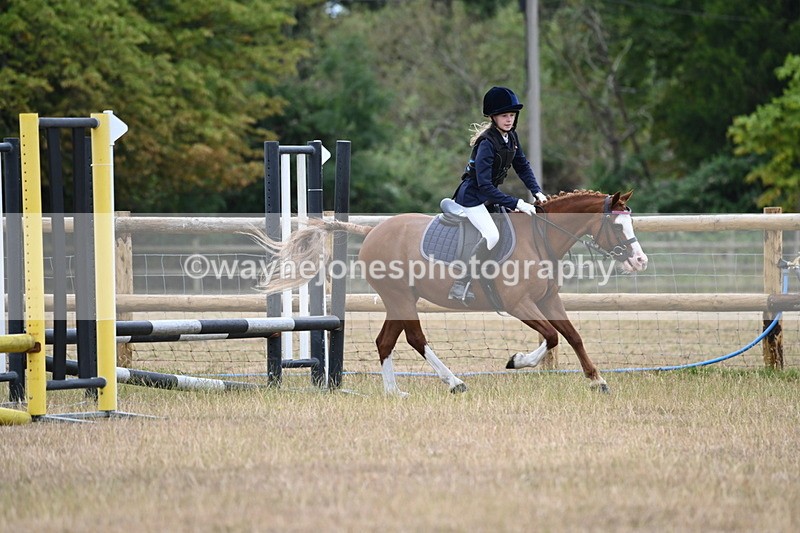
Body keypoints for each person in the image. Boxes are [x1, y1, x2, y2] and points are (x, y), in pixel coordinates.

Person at [449, 86, 546, 303]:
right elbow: (484, 185)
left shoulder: (511, 137)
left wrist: (536, 191)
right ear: (493, 117)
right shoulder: (487, 143)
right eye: (504, 116)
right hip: (472, 198)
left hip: (488, 196)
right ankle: (461, 282)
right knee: (492, 235)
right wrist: (517, 203)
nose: (509, 119)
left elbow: (522, 166)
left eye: (512, 115)